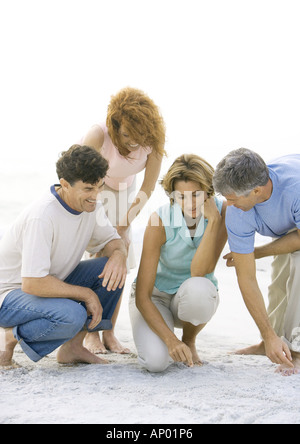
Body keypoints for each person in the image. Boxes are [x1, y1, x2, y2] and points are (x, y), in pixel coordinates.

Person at [0, 145, 127, 369]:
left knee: (114, 270)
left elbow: (113, 242)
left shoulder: (90, 206)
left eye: (100, 187)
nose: (96, 196)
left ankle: (73, 348)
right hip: (10, 295)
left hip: (49, 285)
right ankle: (9, 337)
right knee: (72, 315)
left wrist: (118, 255)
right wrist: (86, 294)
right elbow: (32, 283)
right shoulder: (42, 216)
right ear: (65, 184)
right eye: (88, 189)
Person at [81, 87, 166, 355]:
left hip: (127, 195)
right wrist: (102, 230)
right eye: (127, 134)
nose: (132, 142)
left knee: (122, 259)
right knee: (95, 257)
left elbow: (147, 189)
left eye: (138, 138)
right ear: (114, 124)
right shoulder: (99, 134)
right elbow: (79, 179)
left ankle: (110, 334)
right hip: (94, 190)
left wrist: (123, 227)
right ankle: (89, 335)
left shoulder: (153, 140)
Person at [129, 154, 227, 372]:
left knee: (199, 288)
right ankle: (172, 340)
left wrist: (213, 224)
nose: (190, 204)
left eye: (196, 195)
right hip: (155, 298)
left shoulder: (223, 212)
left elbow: (201, 271)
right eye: (181, 197)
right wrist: (169, 340)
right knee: (156, 363)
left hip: (191, 297)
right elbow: (143, 296)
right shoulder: (159, 221)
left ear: (208, 191)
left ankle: (189, 340)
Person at [213, 148, 300, 376]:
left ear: (256, 191)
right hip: (285, 221)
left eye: (231, 198)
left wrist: (258, 252)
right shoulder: (237, 210)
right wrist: (268, 335)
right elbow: (247, 277)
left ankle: (297, 350)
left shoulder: (295, 188)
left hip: (294, 209)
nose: (227, 204)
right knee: (280, 279)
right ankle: (270, 341)